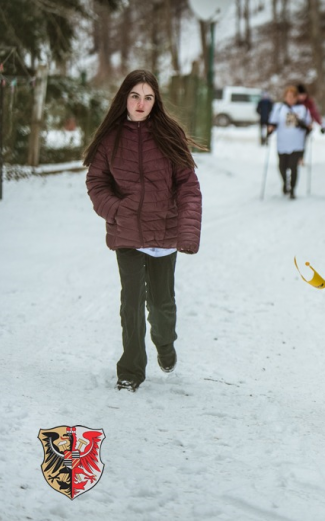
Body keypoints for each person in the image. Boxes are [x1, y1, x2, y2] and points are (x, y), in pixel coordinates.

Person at [84, 69, 203, 392]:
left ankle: (165, 345)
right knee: (131, 304)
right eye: (135, 96)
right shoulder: (111, 139)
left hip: (164, 235)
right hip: (128, 234)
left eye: (148, 97)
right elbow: (96, 182)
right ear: (125, 97)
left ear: (155, 102)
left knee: (162, 306)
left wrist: (188, 232)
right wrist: (116, 210)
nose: (140, 103)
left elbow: (188, 187)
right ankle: (131, 370)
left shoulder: (169, 134)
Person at [268, 86, 311, 199]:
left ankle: (292, 189)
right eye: (288, 96)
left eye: (293, 96)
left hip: (296, 143)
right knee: (282, 167)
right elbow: (273, 122)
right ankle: (285, 183)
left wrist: (302, 123)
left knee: (293, 167)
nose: (290, 99)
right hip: (282, 143)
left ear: (297, 97)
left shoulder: (302, 109)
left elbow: (308, 125)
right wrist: (270, 129)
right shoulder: (279, 108)